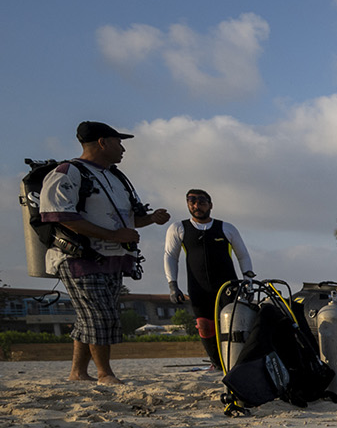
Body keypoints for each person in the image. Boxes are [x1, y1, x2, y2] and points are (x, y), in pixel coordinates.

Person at [38, 121, 171, 385]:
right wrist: (113, 236)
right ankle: (105, 374)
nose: (123, 148)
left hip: (113, 259)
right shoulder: (68, 172)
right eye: (118, 142)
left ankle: (78, 373)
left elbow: (128, 220)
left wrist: (151, 219)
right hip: (79, 258)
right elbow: (59, 215)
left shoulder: (116, 177)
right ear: (102, 142)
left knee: (89, 317)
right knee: (99, 316)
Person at [163, 188, 254, 368]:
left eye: (202, 202)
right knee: (205, 326)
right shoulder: (179, 228)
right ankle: (217, 363)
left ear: (210, 205)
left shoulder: (226, 228)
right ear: (188, 204)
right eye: (192, 202)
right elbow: (170, 256)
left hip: (228, 285)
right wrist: (172, 285)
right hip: (199, 287)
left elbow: (243, 256)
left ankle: (236, 362)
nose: (197, 206)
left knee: (232, 324)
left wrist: (248, 282)